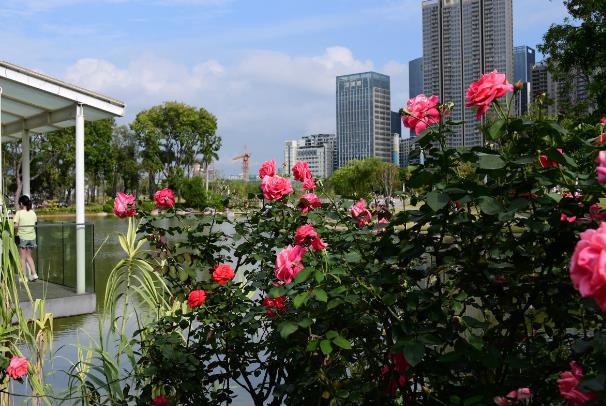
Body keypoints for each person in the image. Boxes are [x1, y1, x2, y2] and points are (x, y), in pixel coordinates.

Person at [14, 195, 38, 282]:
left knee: (22, 257)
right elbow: (34, 224)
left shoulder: (19, 213)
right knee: (29, 256)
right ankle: (34, 274)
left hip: (23, 237)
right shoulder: (33, 213)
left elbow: (15, 225)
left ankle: (23, 277)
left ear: (21, 203)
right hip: (32, 237)